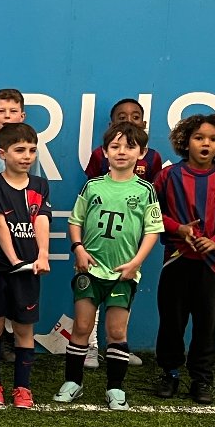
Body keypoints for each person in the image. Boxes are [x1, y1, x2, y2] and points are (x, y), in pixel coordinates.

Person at [54, 121, 163, 411]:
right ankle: (73, 383)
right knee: (82, 326)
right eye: (115, 146)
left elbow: (153, 230)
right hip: (90, 270)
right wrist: (78, 249)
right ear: (104, 151)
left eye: (129, 146)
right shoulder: (93, 186)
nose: (121, 152)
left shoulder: (145, 190)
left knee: (117, 332)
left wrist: (136, 263)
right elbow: (75, 220)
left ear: (141, 153)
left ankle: (115, 388)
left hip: (122, 274)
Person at [151, 114, 215, 404]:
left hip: (211, 265)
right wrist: (178, 228)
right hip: (176, 261)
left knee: (206, 324)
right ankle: (170, 373)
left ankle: (202, 379)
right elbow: (151, 212)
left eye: (213, 139)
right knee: (172, 321)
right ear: (185, 141)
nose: (206, 143)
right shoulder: (168, 177)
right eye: (199, 137)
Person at [0, 123, 51, 410]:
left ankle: (22, 388)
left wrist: (42, 255)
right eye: (20, 150)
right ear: (2, 153)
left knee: (24, 329)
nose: (27, 156)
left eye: (32, 150)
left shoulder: (40, 185)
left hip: (29, 271)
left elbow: (41, 220)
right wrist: (14, 260)